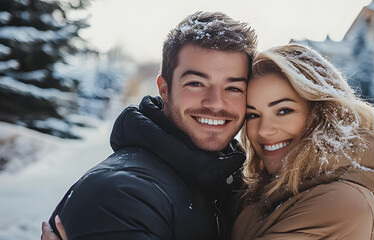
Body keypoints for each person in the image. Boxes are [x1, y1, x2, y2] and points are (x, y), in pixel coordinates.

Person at [42, 11, 257, 240]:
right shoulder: (121, 196)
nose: (215, 103)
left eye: (233, 88)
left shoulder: (229, 187)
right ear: (164, 89)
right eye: (196, 83)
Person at [231, 44, 374, 239]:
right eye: (252, 115)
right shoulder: (276, 190)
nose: (264, 130)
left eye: (283, 111)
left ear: (324, 114)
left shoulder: (340, 203)